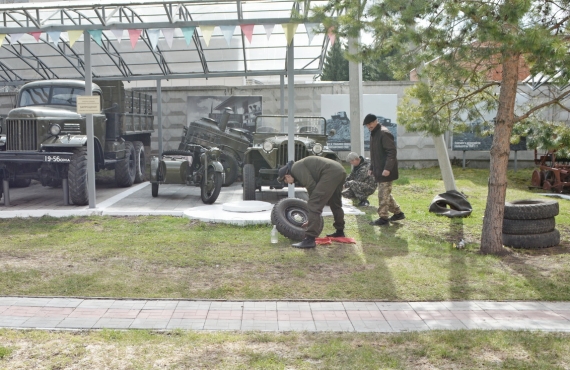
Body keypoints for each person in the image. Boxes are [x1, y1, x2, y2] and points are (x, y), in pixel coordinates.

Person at [277, 156, 347, 248]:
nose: (289, 183)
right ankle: (339, 232)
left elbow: (311, 186)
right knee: (335, 204)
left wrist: (312, 211)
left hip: (330, 172)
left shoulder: (295, 168)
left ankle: (310, 239)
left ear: (286, 176)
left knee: (314, 204)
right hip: (339, 170)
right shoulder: (298, 166)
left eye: (285, 181)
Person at [363, 114, 405, 226]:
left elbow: (391, 152)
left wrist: (387, 168)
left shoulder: (384, 133)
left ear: (376, 121)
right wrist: (371, 167)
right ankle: (398, 213)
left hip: (386, 171)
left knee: (383, 194)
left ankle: (383, 218)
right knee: (385, 194)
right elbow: (374, 154)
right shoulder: (374, 133)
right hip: (379, 170)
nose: (369, 126)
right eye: (367, 125)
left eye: (370, 123)